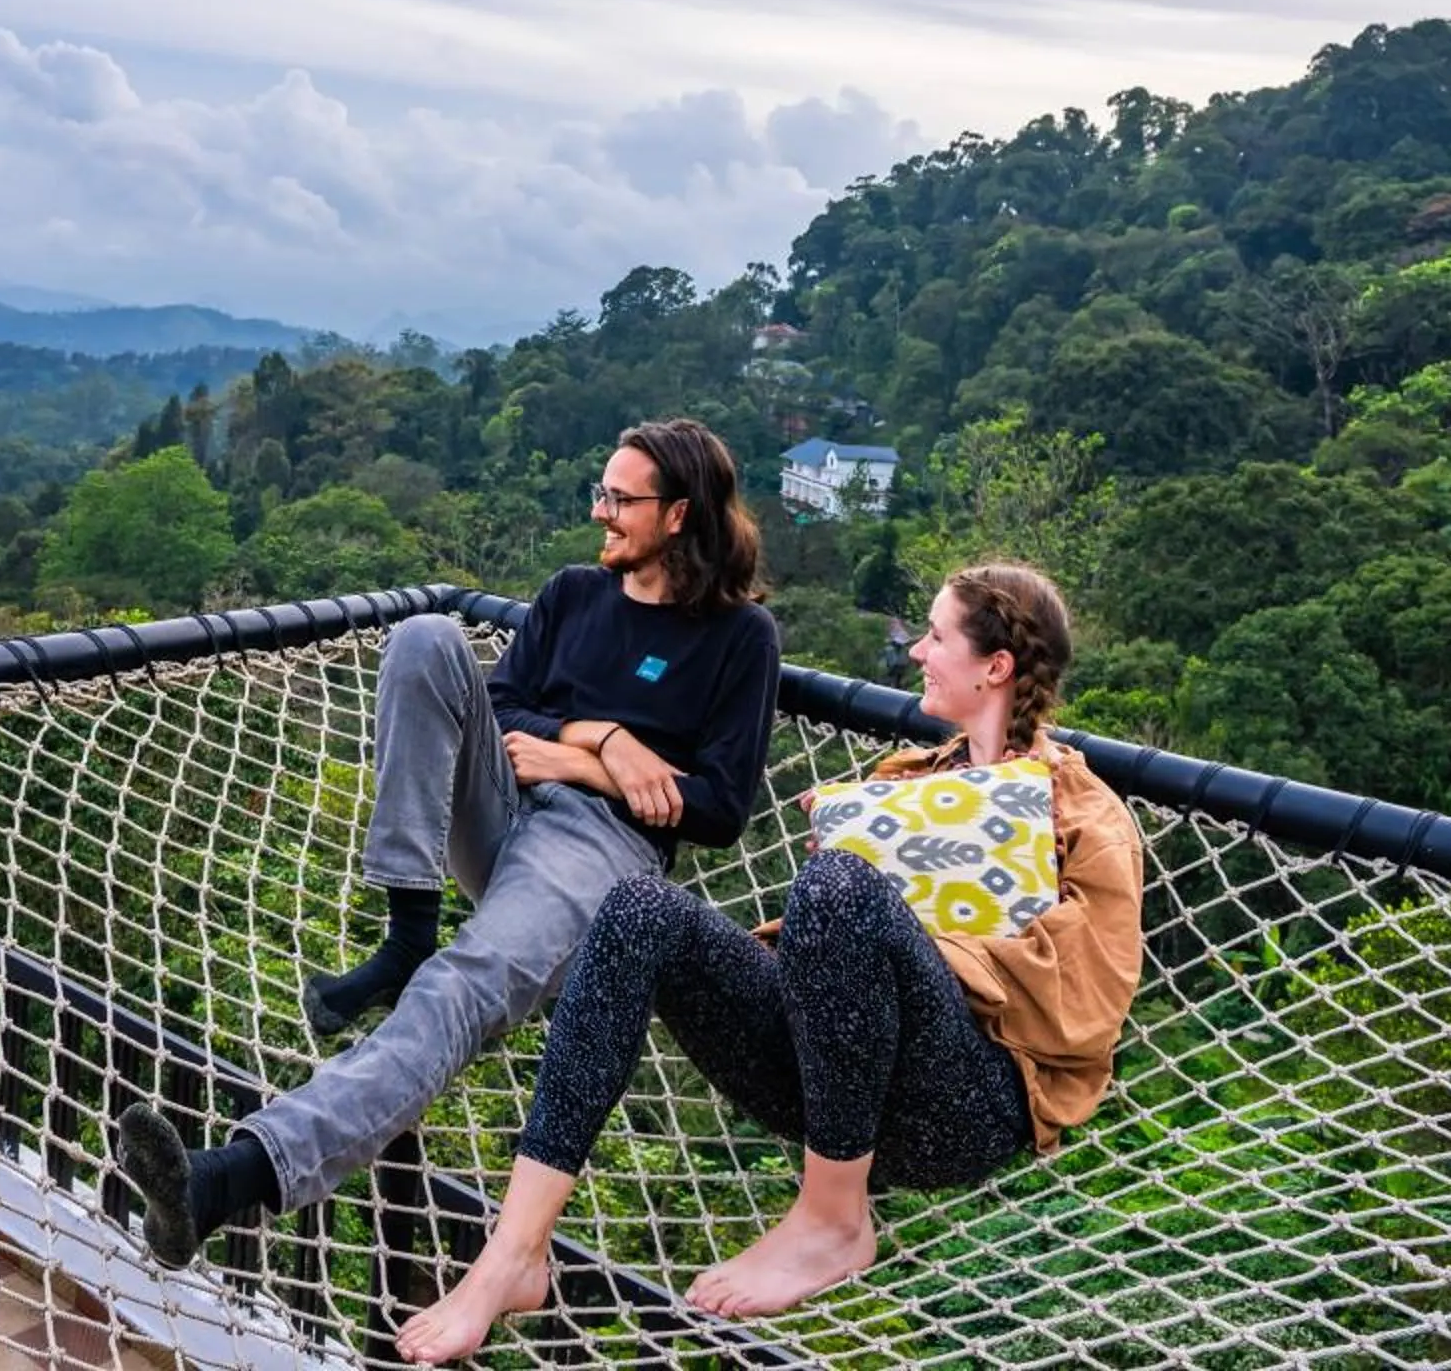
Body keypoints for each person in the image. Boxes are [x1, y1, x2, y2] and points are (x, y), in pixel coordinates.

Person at [394, 562, 1142, 1364]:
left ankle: (832, 1221)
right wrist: (839, 913)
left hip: (958, 1105)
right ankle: (516, 1254)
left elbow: (1086, 1015)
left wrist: (883, 926)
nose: (918, 650)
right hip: (834, 1086)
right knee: (638, 908)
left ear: (995, 666)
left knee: (838, 887)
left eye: (936, 635)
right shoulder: (904, 787)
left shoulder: (1085, 814)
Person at [115, 418, 782, 1269]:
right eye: (601, 492)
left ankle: (228, 1178)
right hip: (502, 802)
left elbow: (720, 808)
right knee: (426, 636)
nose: (602, 513)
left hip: (598, 855)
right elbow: (502, 709)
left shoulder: (739, 638)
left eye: (621, 499)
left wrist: (593, 768)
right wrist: (604, 736)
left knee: (453, 996)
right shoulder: (575, 593)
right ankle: (408, 928)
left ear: (679, 514)